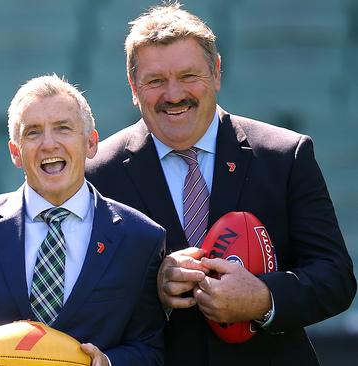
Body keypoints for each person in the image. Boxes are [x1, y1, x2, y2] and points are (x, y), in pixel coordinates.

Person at [85, 3, 356, 366]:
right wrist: (156, 292)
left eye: (188, 76)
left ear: (216, 73)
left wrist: (262, 297)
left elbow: (335, 278)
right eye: (155, 81)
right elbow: (89, 300)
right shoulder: (99, 173)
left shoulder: (284, 155)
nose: (174, 94)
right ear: (134, 87)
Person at [0, 74, 166, 366]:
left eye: (63, 129)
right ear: (15, 152)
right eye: (32, 132)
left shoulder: (140, 238)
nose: (48, 144)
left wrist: (107, 362)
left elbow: (151, 350)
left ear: (91, 143)